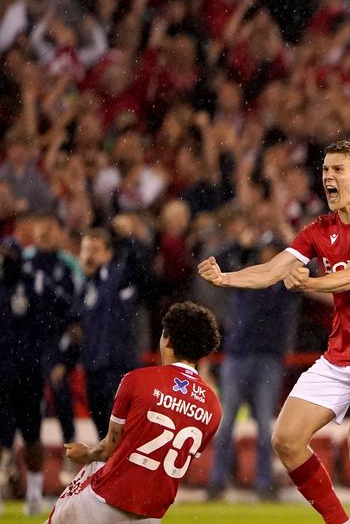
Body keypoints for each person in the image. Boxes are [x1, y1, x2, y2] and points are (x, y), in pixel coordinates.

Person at [198, 140, 350, 524]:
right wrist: (225, 277)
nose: (328, 176)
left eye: (339, 170)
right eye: (326, 170)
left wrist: (307, 283)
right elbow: (273, 269)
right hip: (339, 356)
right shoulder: (319, 230)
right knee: (286, 440)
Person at [46, 301, 223, 523]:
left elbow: (109, 448)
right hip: (150, 514)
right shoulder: (213, 406)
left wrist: (86, 454)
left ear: (166, 339)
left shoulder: (137, 380)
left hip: (106, 501)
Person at [206, 235, 300, 501]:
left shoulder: (285, 283)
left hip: (266, 359)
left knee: (263, 427)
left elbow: (310, 272)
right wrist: (240, 244)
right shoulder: (249, 277)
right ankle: (217, 482)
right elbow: (219, 266)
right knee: (226, 424)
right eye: (265, 251)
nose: (268, 256)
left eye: (274, 251)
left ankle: (263, 484)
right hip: (238, 357)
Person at [0, 215, 77, 516]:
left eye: (10, 256)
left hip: (28, 373)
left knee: (32, 436)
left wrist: (57, 359)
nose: (7, 261)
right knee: (3, 436)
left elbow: (57, 321)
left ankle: (33, 493)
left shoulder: (35, 286)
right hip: (3, 373)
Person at [77, 228, 145, 440]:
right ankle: (108, 471)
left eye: (95, 250)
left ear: (108, 254)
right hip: (93, 368)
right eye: (86, 250)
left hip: (118, 368)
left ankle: (121, 472)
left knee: (120, 432)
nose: (89, 256)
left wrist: (126, 237)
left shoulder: (119, 278)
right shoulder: (84, 286)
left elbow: (138, 262)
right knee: (101, 431)